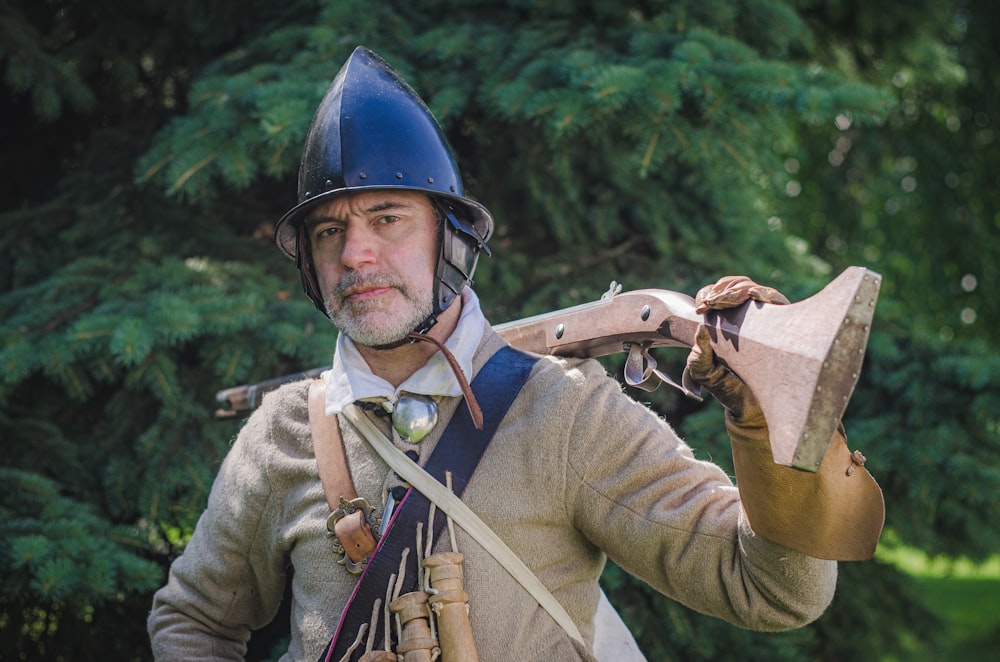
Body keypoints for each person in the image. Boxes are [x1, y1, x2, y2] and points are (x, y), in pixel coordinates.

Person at [148, 46, 884, 662]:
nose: (357, 253)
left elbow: (773, 590)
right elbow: (195, 621)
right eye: (329, 231)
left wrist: (761, 432)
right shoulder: (284, 433)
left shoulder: (564, 410)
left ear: (449, 238)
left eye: (386, 217)